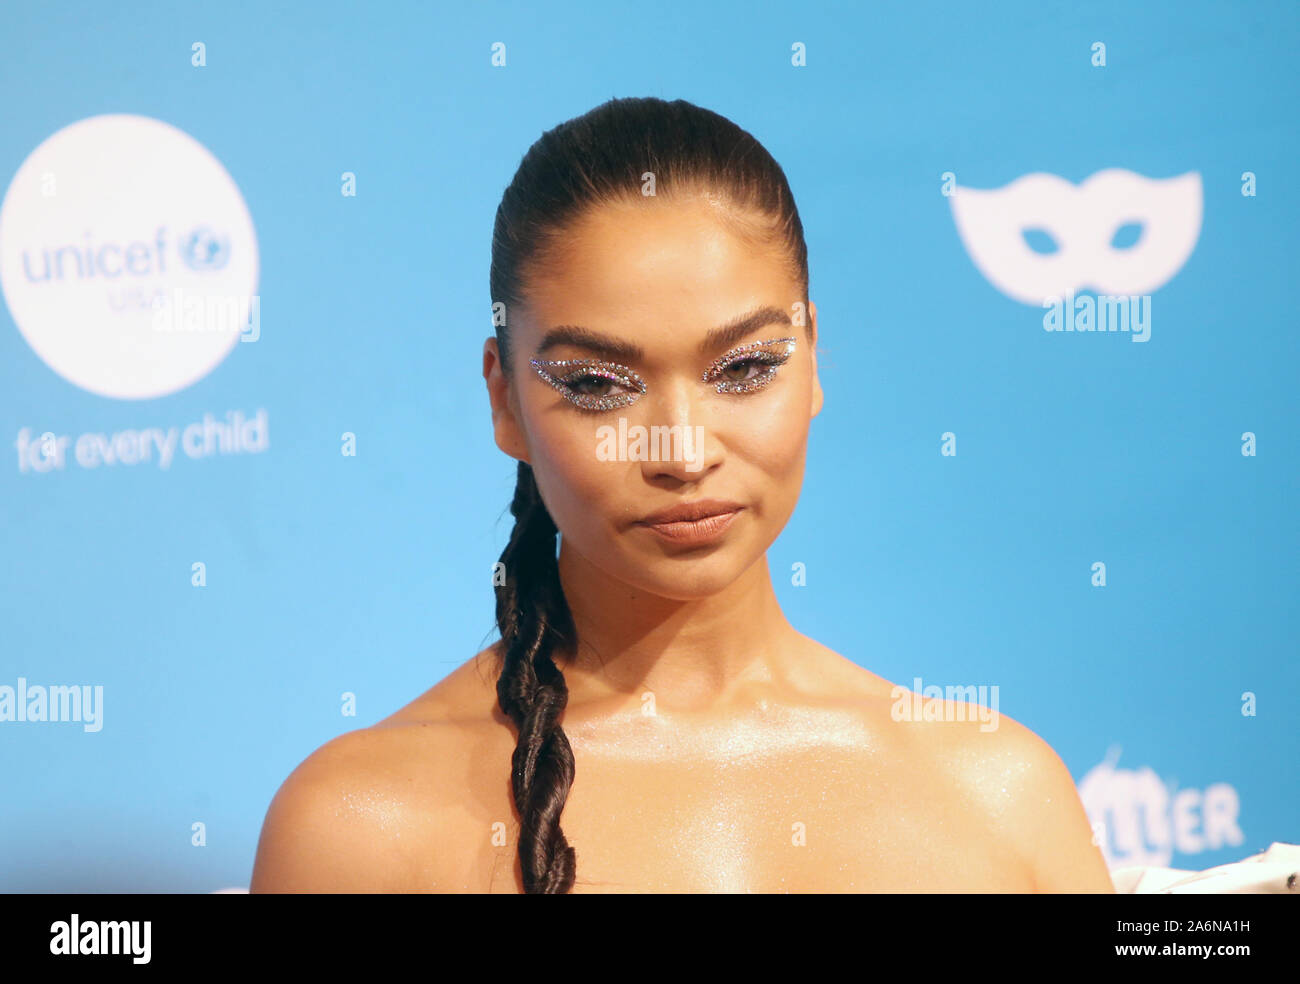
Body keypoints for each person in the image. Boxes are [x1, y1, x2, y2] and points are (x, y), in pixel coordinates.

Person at [250, 96, 1115, 894]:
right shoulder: (358, 828)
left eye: (743, 369)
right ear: (504, 399)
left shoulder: (1001, 792)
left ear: (812, 360)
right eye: (598, 384)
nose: (683, 451)